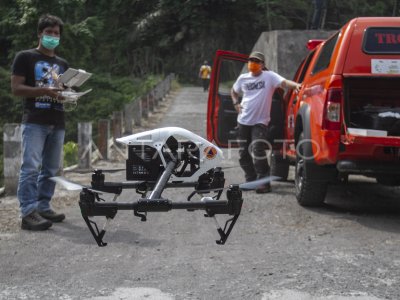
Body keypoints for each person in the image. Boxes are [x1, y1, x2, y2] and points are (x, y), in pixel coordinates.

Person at [11, 14, 68, 230]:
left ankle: (44, 207)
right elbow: (16, 89)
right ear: (40, 33)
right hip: (35, 120)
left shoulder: (62, 64)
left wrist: (68, 94)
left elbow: (63, 92)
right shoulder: (25, 57)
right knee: (31, 168)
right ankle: (28, 212)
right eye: (49, 32)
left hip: (58, 120)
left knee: (51, 169)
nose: (53, 36)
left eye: (56, 33)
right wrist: (42, 90)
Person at [231, 51, 301, 193]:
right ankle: (250, 179)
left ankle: (263, 182)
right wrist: (235, 103)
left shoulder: (269, 77)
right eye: (251, 60)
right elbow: (233, 91)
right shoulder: (243, 78)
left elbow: (284, 82)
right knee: (243, 153)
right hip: (243, 120)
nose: (253, 63)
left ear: (262, 65)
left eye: (256, 61)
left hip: (260, 121)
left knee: (258, 150)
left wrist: (297, 86)